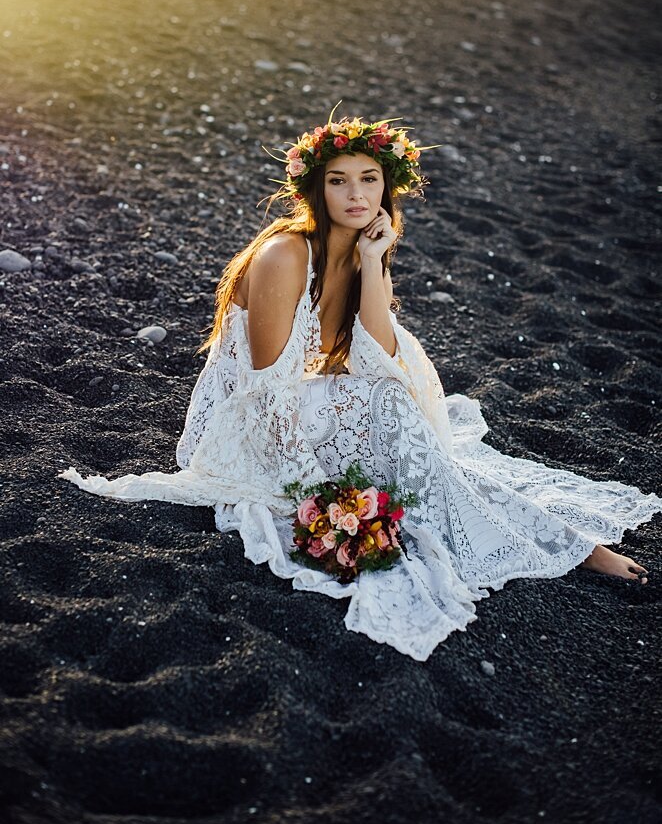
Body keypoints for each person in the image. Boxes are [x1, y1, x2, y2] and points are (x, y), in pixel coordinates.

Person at [59, 110, 659, 661]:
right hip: (258, 421)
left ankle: (564, 544)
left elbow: (378, 352)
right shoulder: (284, 254)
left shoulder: (363, 249)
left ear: (386, 187)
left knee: (397, 413)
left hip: (313, 399)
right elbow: (267, 385)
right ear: (315, 189)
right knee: (392, 416)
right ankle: (565, 548)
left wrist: (374, 264)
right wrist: (312, 489)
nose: (355, 195)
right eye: (339, 181)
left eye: (369, 180)